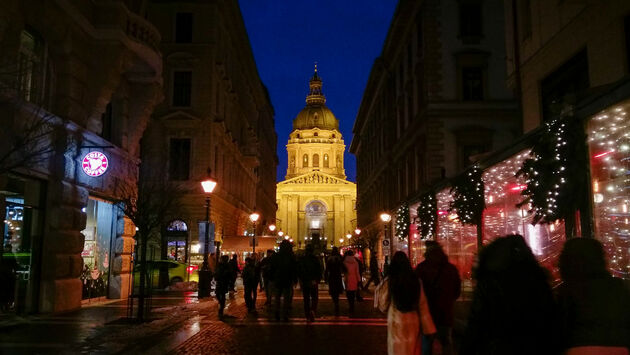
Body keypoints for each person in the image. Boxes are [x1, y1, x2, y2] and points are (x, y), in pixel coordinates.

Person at [460, 234, 557, 355]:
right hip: (534, 346)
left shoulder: (489, 282)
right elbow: (549, 318)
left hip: (497, 347)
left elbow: (477, 322)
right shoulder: (537, 280)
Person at [556, 238, 630, 354]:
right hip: (619, 347)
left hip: (579, 348)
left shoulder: (567, 291)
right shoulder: (618, 286)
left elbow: (561, 327)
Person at [375, 251, 436, 355]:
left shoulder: (390, 281)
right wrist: (428, 329)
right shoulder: (416, 280)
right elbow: (423, 306)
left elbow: (383, 304)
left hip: (396, 321)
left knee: (396, 349)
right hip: (412, 321)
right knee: (412, 349)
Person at [415, 241, 461, 355]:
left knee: (426, 344)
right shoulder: (451, 269)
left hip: (428, 314)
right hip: (445, 313)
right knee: (446, 343)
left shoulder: (421, 269)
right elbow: (457, 292)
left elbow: (416, 291)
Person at [270, 240, 297, 321]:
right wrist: (295, 279)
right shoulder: (291, 256)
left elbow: (272, 267)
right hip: (287, 279)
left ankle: (277, 312)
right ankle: (285, 314)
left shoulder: (276, 256)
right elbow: (294, 269)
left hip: (278, 279)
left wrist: (272, 277)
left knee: (277, 297)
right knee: (286, 298)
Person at [297, 244, 323, 322]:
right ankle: (313, 310)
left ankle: (307, 314)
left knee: (306, 298)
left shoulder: (302, 259)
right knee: (315, 297)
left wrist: (301, 279)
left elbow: (299, 270)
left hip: (305, 281)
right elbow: (319, 270)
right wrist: (318, 279)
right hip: (313, 281)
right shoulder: (316, 259)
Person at [325, 246, 345, 316]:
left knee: (333, 290)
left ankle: (335, 300)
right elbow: (343, 266)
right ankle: (336, 301)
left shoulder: (330, 258)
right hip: (337, 276)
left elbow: (327, 269)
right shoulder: (339, 258)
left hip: (332, 276)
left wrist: (326, 277)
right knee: (337, 290)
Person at [343, 250, 362, 316]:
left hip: (347, 279)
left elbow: (344, 272)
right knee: (353, 293)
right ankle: (352, 305)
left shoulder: (345, 262)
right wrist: (359, 280)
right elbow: (357, 272)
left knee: (348, 293)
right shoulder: (355, 262)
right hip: (354, 279)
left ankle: (350, 305)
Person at [214, 255, 232, 320]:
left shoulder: (226, 266)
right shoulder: (220, 265)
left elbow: (229, 274)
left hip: (223, 282)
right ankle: (221, 305)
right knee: (218, 294)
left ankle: (221, 309)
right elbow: (216, 272)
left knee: (222, 294)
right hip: (220, 282)